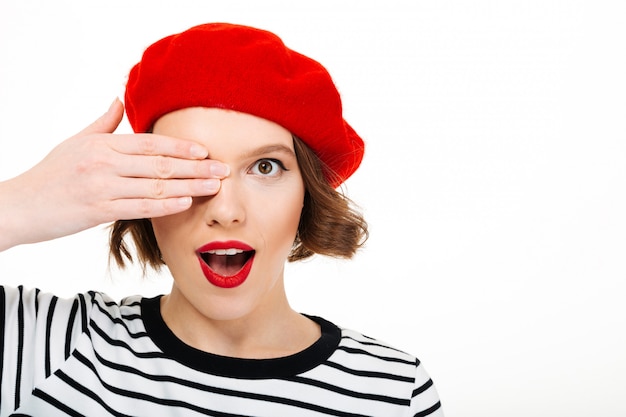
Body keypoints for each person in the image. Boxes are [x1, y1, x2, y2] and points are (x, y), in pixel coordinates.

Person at [0, 23, 443, 416]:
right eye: (188, 169)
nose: (226, 212)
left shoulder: (392, 391)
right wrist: (21, 203)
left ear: (308, 196)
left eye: (266, 167)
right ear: (143, 190)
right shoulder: (47, 344)